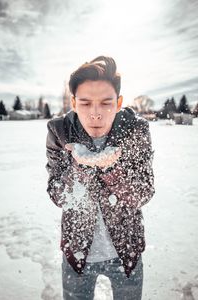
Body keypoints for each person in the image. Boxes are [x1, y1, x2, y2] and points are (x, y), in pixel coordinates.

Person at [45, 56, 155, 300]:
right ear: (73, 102)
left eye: (106, 103)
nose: (95, 114)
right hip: (77, 254)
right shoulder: (60, 132)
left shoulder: (135, 131)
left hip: (127, 253)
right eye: (85, 103)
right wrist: (81, 169)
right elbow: (58, 195)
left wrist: (111, 170)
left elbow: (143, 192)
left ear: (118, 103)